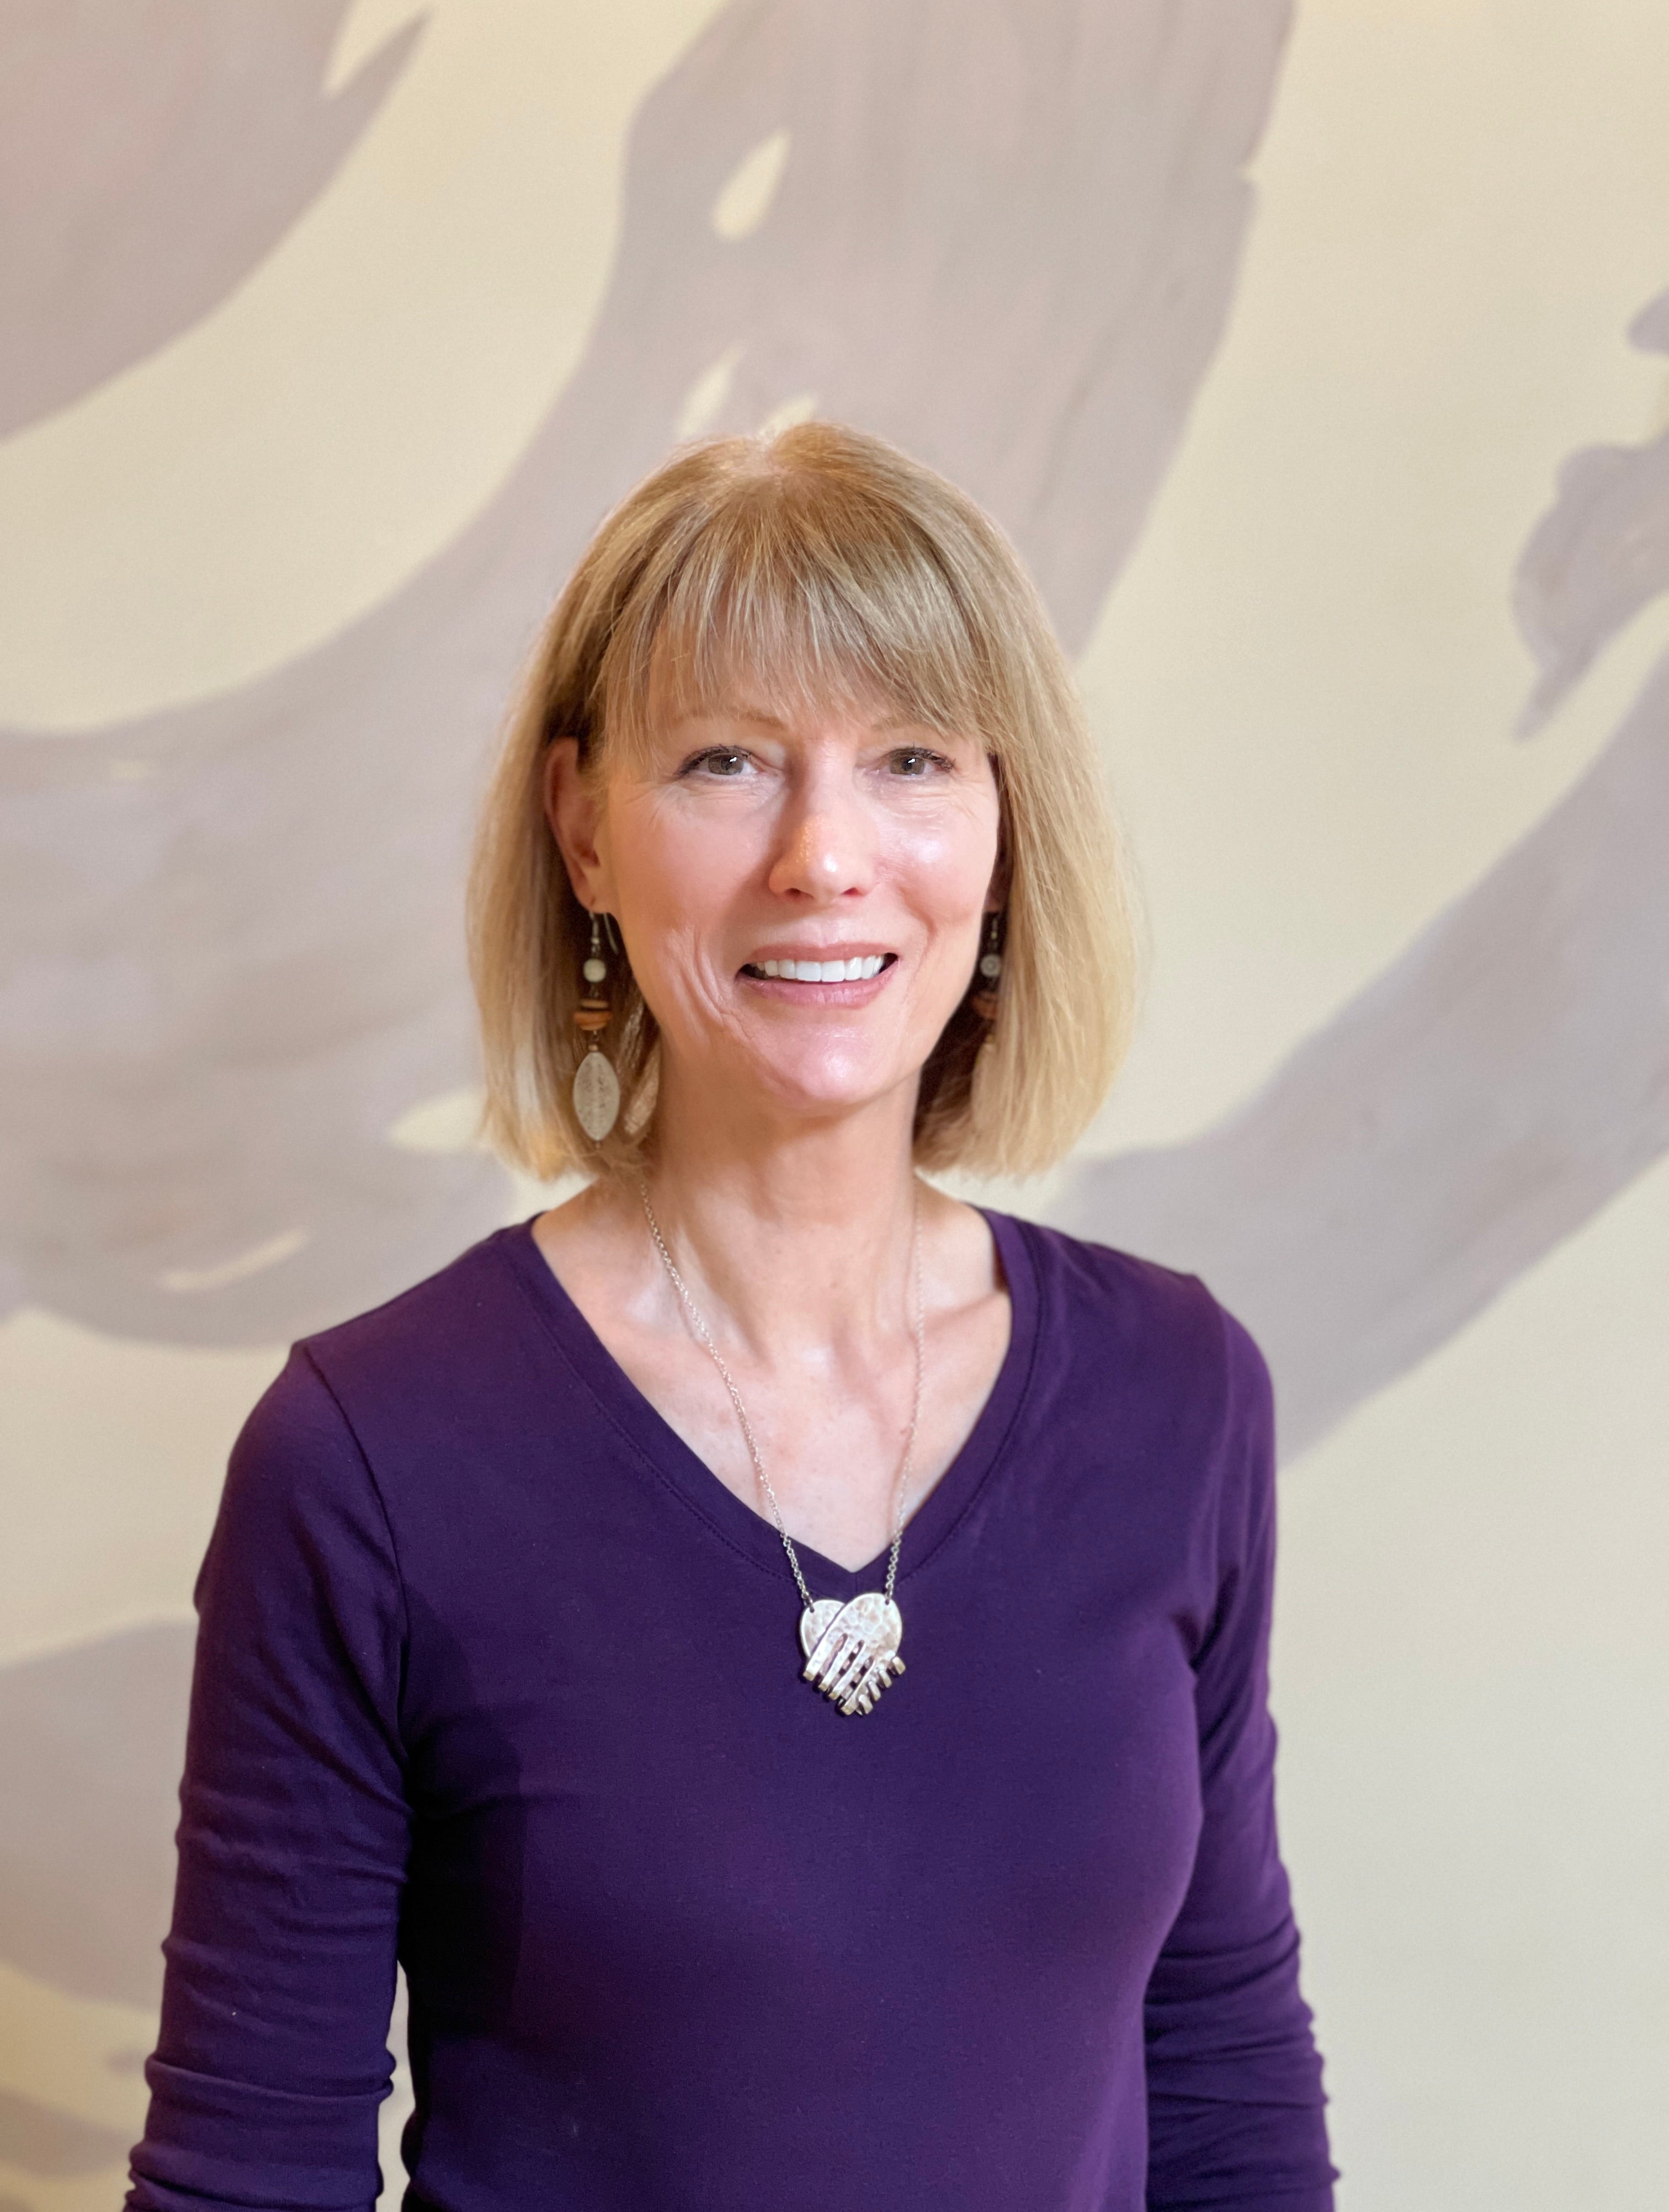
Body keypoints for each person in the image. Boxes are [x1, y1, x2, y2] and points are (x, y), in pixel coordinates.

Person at [127, 422, 1336, 2210]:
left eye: (912, 757)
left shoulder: (1180, 1398)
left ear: (1001, 832)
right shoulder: (371, 1461)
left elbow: (1223, 2079)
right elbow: (249, 2181)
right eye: (724, 763)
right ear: (584, 833)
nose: (825, 857)